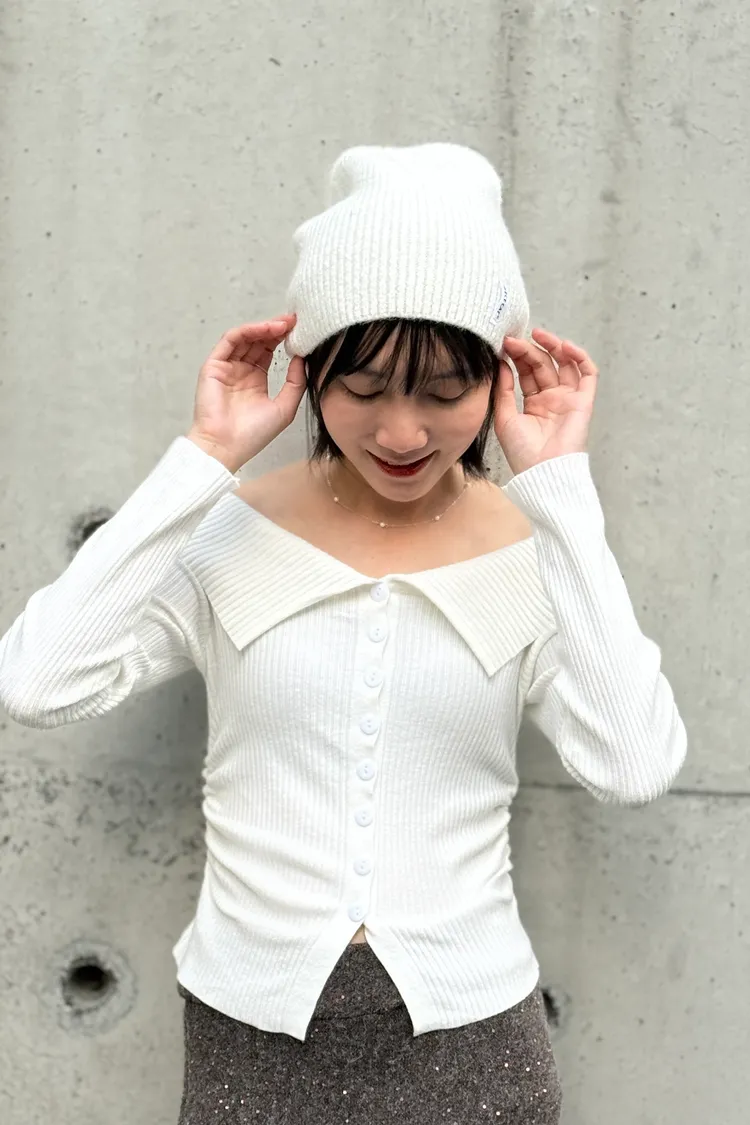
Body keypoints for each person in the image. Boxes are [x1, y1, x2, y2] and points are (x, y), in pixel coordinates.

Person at [0, 143, 688, 1124]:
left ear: (499, 381)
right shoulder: (228, 533)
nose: (403, 433)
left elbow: (634, 764)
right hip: (251, 1043)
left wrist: (562, 497)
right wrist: (204, 458)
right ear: (310, 370)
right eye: (364, 388)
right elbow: (37, 682)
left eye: (443, 391)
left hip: (477, 1049)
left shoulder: (537, 553)